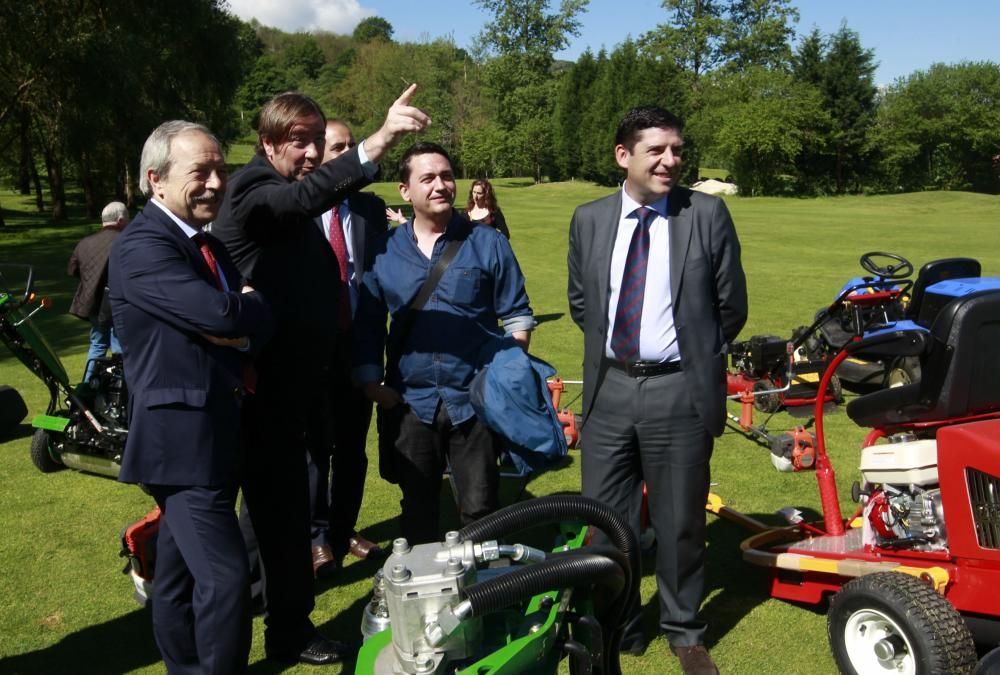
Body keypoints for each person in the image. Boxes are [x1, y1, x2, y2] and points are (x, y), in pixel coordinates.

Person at [211, 85, 429, 666]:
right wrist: (380, 140)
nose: (310, 153)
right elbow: (296, 203)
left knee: (284, 516)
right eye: (298, 141)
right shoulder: (255, 190)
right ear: (266, 143)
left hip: (304, 385)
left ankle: (287, 629)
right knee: (262, 518)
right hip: (260, 393)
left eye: (317, 141)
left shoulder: (291, 193)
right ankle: (248, 618)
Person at [567, 106, 747, 675]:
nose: (671, 160)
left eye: (677, 149)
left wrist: (685, 357)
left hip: (679, 392)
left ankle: (685, 630)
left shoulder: (706, 214)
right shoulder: (589, 219)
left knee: (681, 521)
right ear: (624, 156)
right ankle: (621, 623)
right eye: (657, 150)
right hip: (609, 391)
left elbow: (730, 307)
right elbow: (581, 303)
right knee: (607, 523)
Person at [108, 120, 273, 674]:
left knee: (177, 576)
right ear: (155, 180)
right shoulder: (141, 246)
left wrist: (243, 311)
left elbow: (246, 320)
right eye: (199, 171)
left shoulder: (205, 244)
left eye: (220, 169)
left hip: (219, 430)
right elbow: (222, 312)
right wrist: (241, 307)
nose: (216, 183)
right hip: (181, 443)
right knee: (226, 579)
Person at [353, 142, 534, 545]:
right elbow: (368, 324)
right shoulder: (383, 251)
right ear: (405, 191)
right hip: (409, 402)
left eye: (447, 176)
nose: (441, 185)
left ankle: (483, 600)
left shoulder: (488, 242)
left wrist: (504, 376)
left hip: (474, 401)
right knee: (418, 508)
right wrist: (372, 384)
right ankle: (423, 599)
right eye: (428, 178)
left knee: (480, 508)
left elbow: (517, 314)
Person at [306, 118, 389, 576]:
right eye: (336, 147)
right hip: (314, 351)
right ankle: (316, 537)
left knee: (353, 449)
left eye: (349, 146)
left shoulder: (369, 210)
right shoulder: (296, 210)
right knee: (317, 449)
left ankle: (343, 529)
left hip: (359, 346)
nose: (346, 153)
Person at [68, 201, 129, 382]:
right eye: (127, 220)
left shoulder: (84, 243)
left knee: (97, 345)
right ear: (120, 220)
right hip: (118, 304)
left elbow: (72, 270)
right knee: (118, 347)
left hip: (93, 303)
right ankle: (119, 390)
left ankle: (88, 387)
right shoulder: (125, 241)